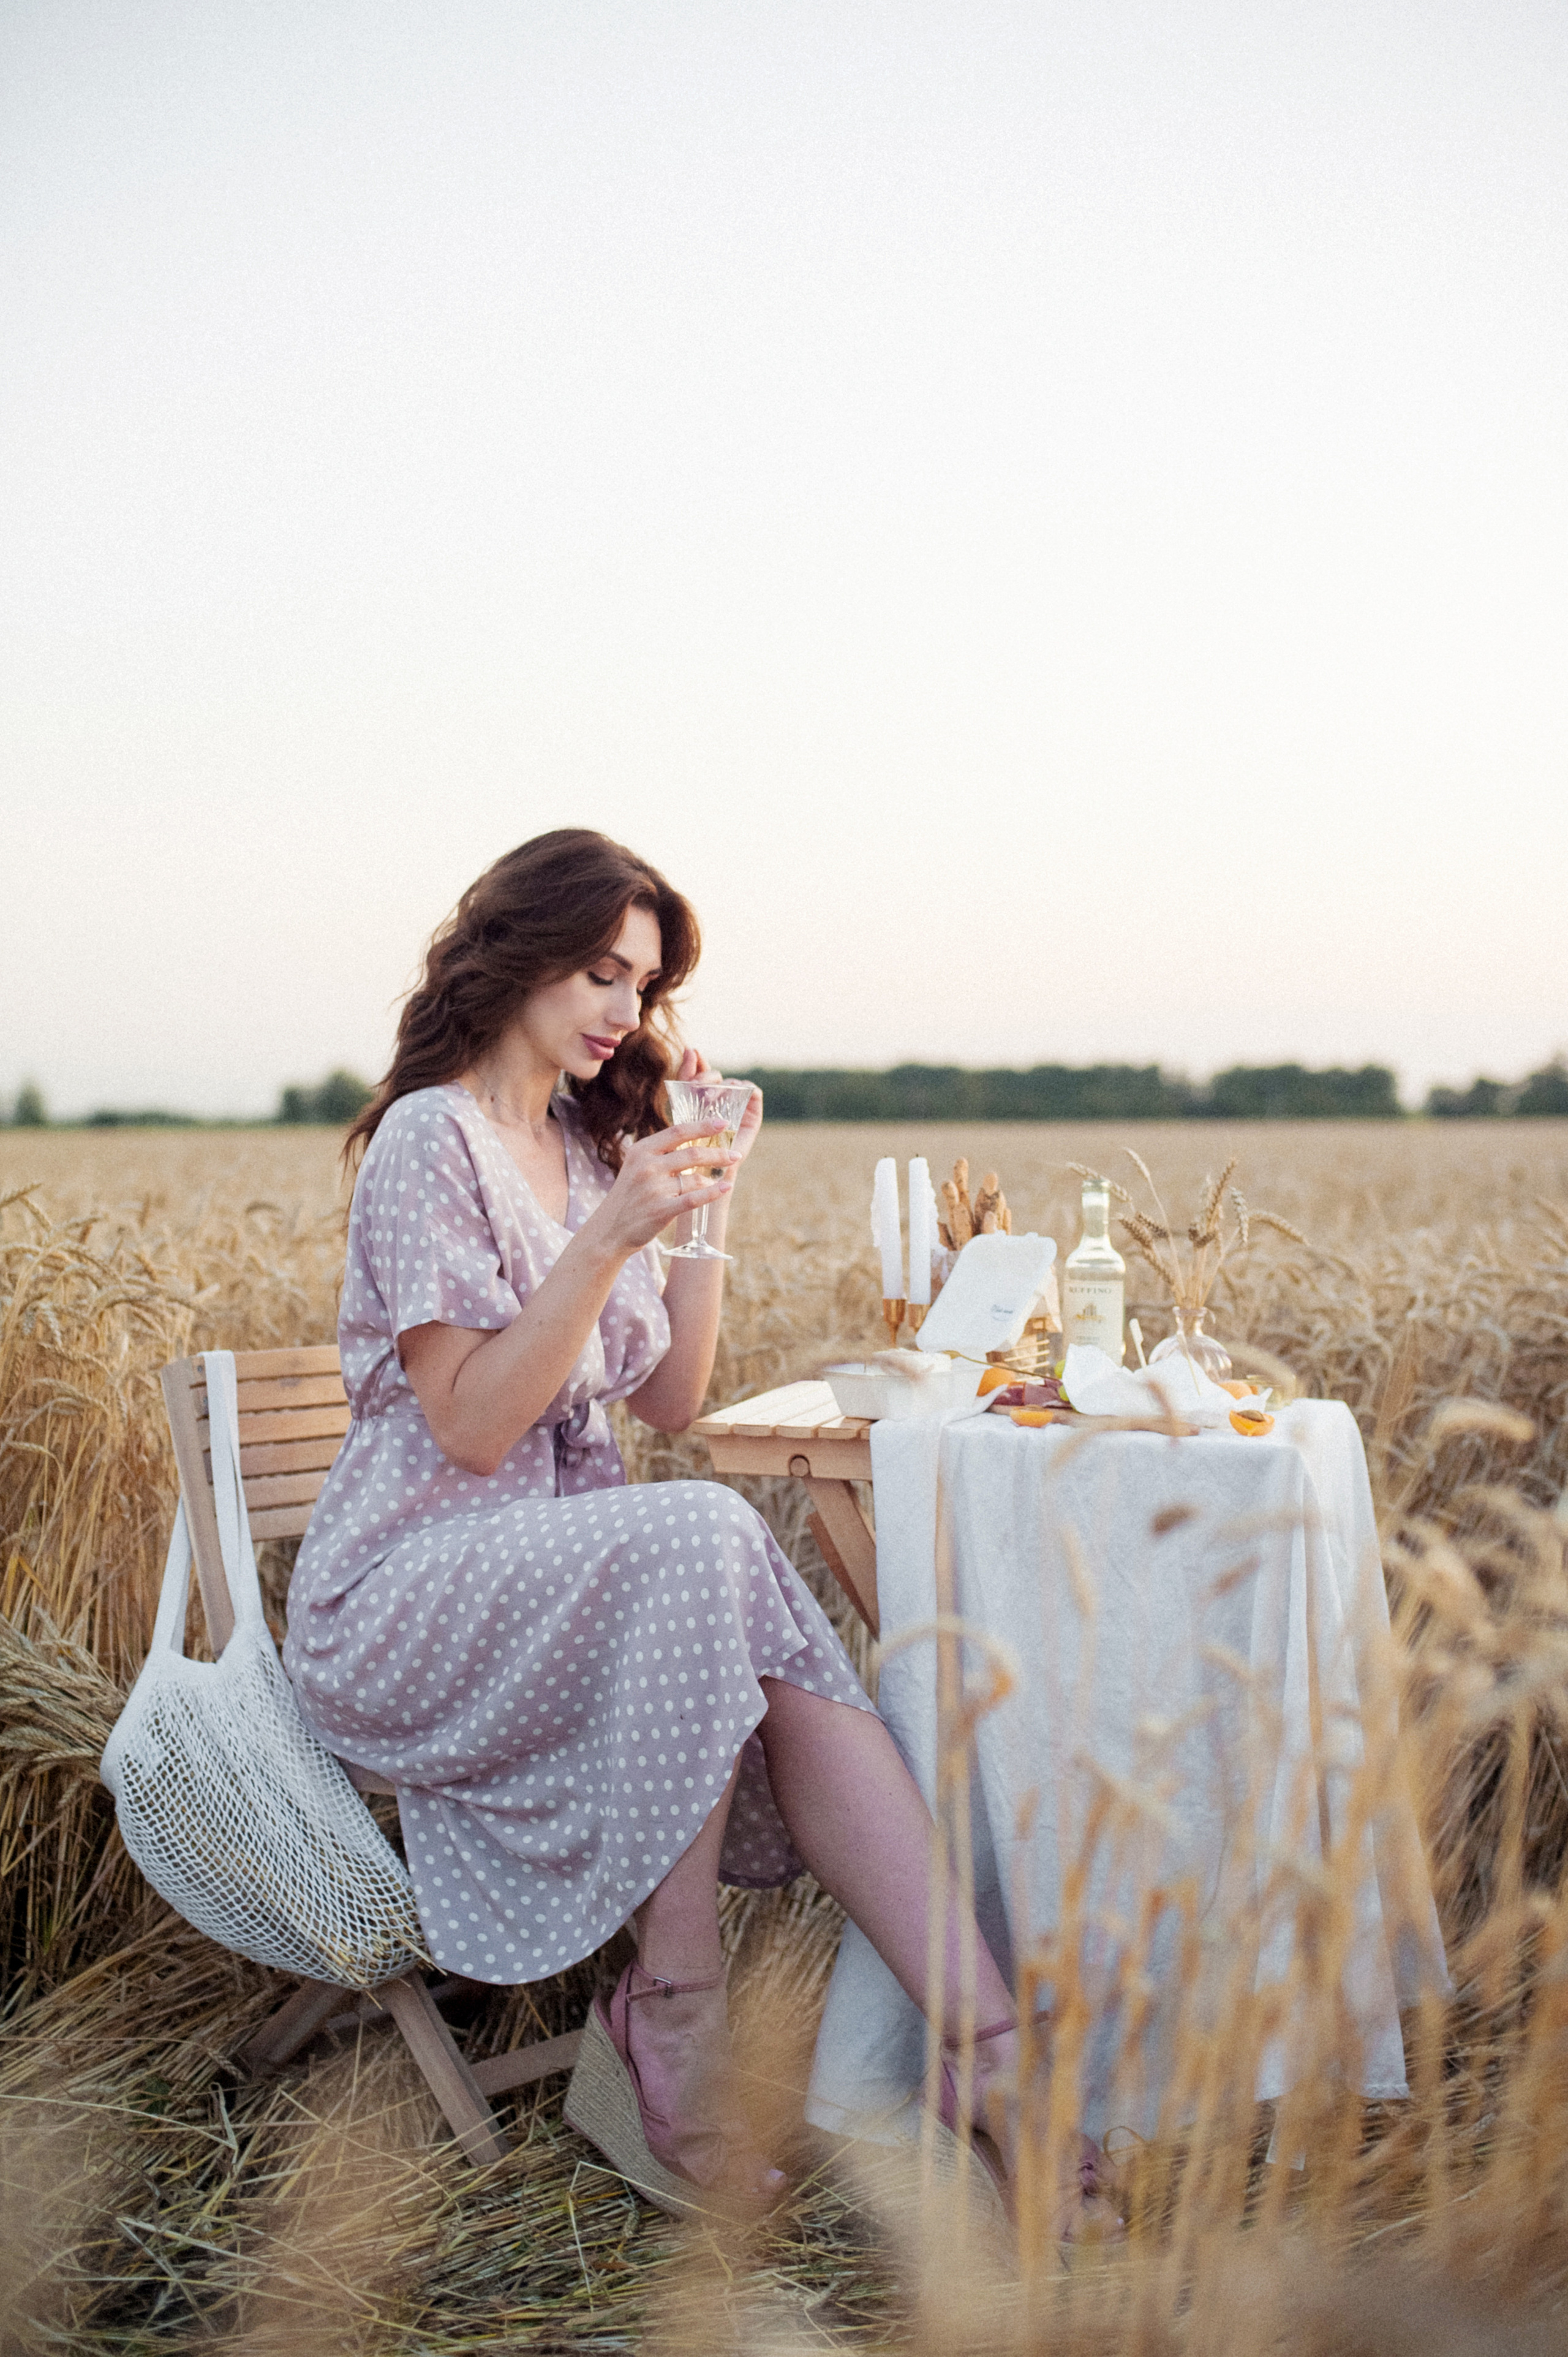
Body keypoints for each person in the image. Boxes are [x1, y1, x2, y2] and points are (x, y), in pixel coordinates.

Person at [284, 827, 1115, 2232]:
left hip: (562, 1577)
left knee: (756, 1609)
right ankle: (670, 2009)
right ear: (513, 954)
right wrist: (612, 1231)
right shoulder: (436, 1137)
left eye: (643, 980)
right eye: (599, 969)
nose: (623, 1008)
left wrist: (701, 1208)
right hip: (402, 1599)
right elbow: (475, 1428)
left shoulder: (569, 1134)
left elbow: (669, 1398)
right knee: (707, 1541)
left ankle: (987, 2052)